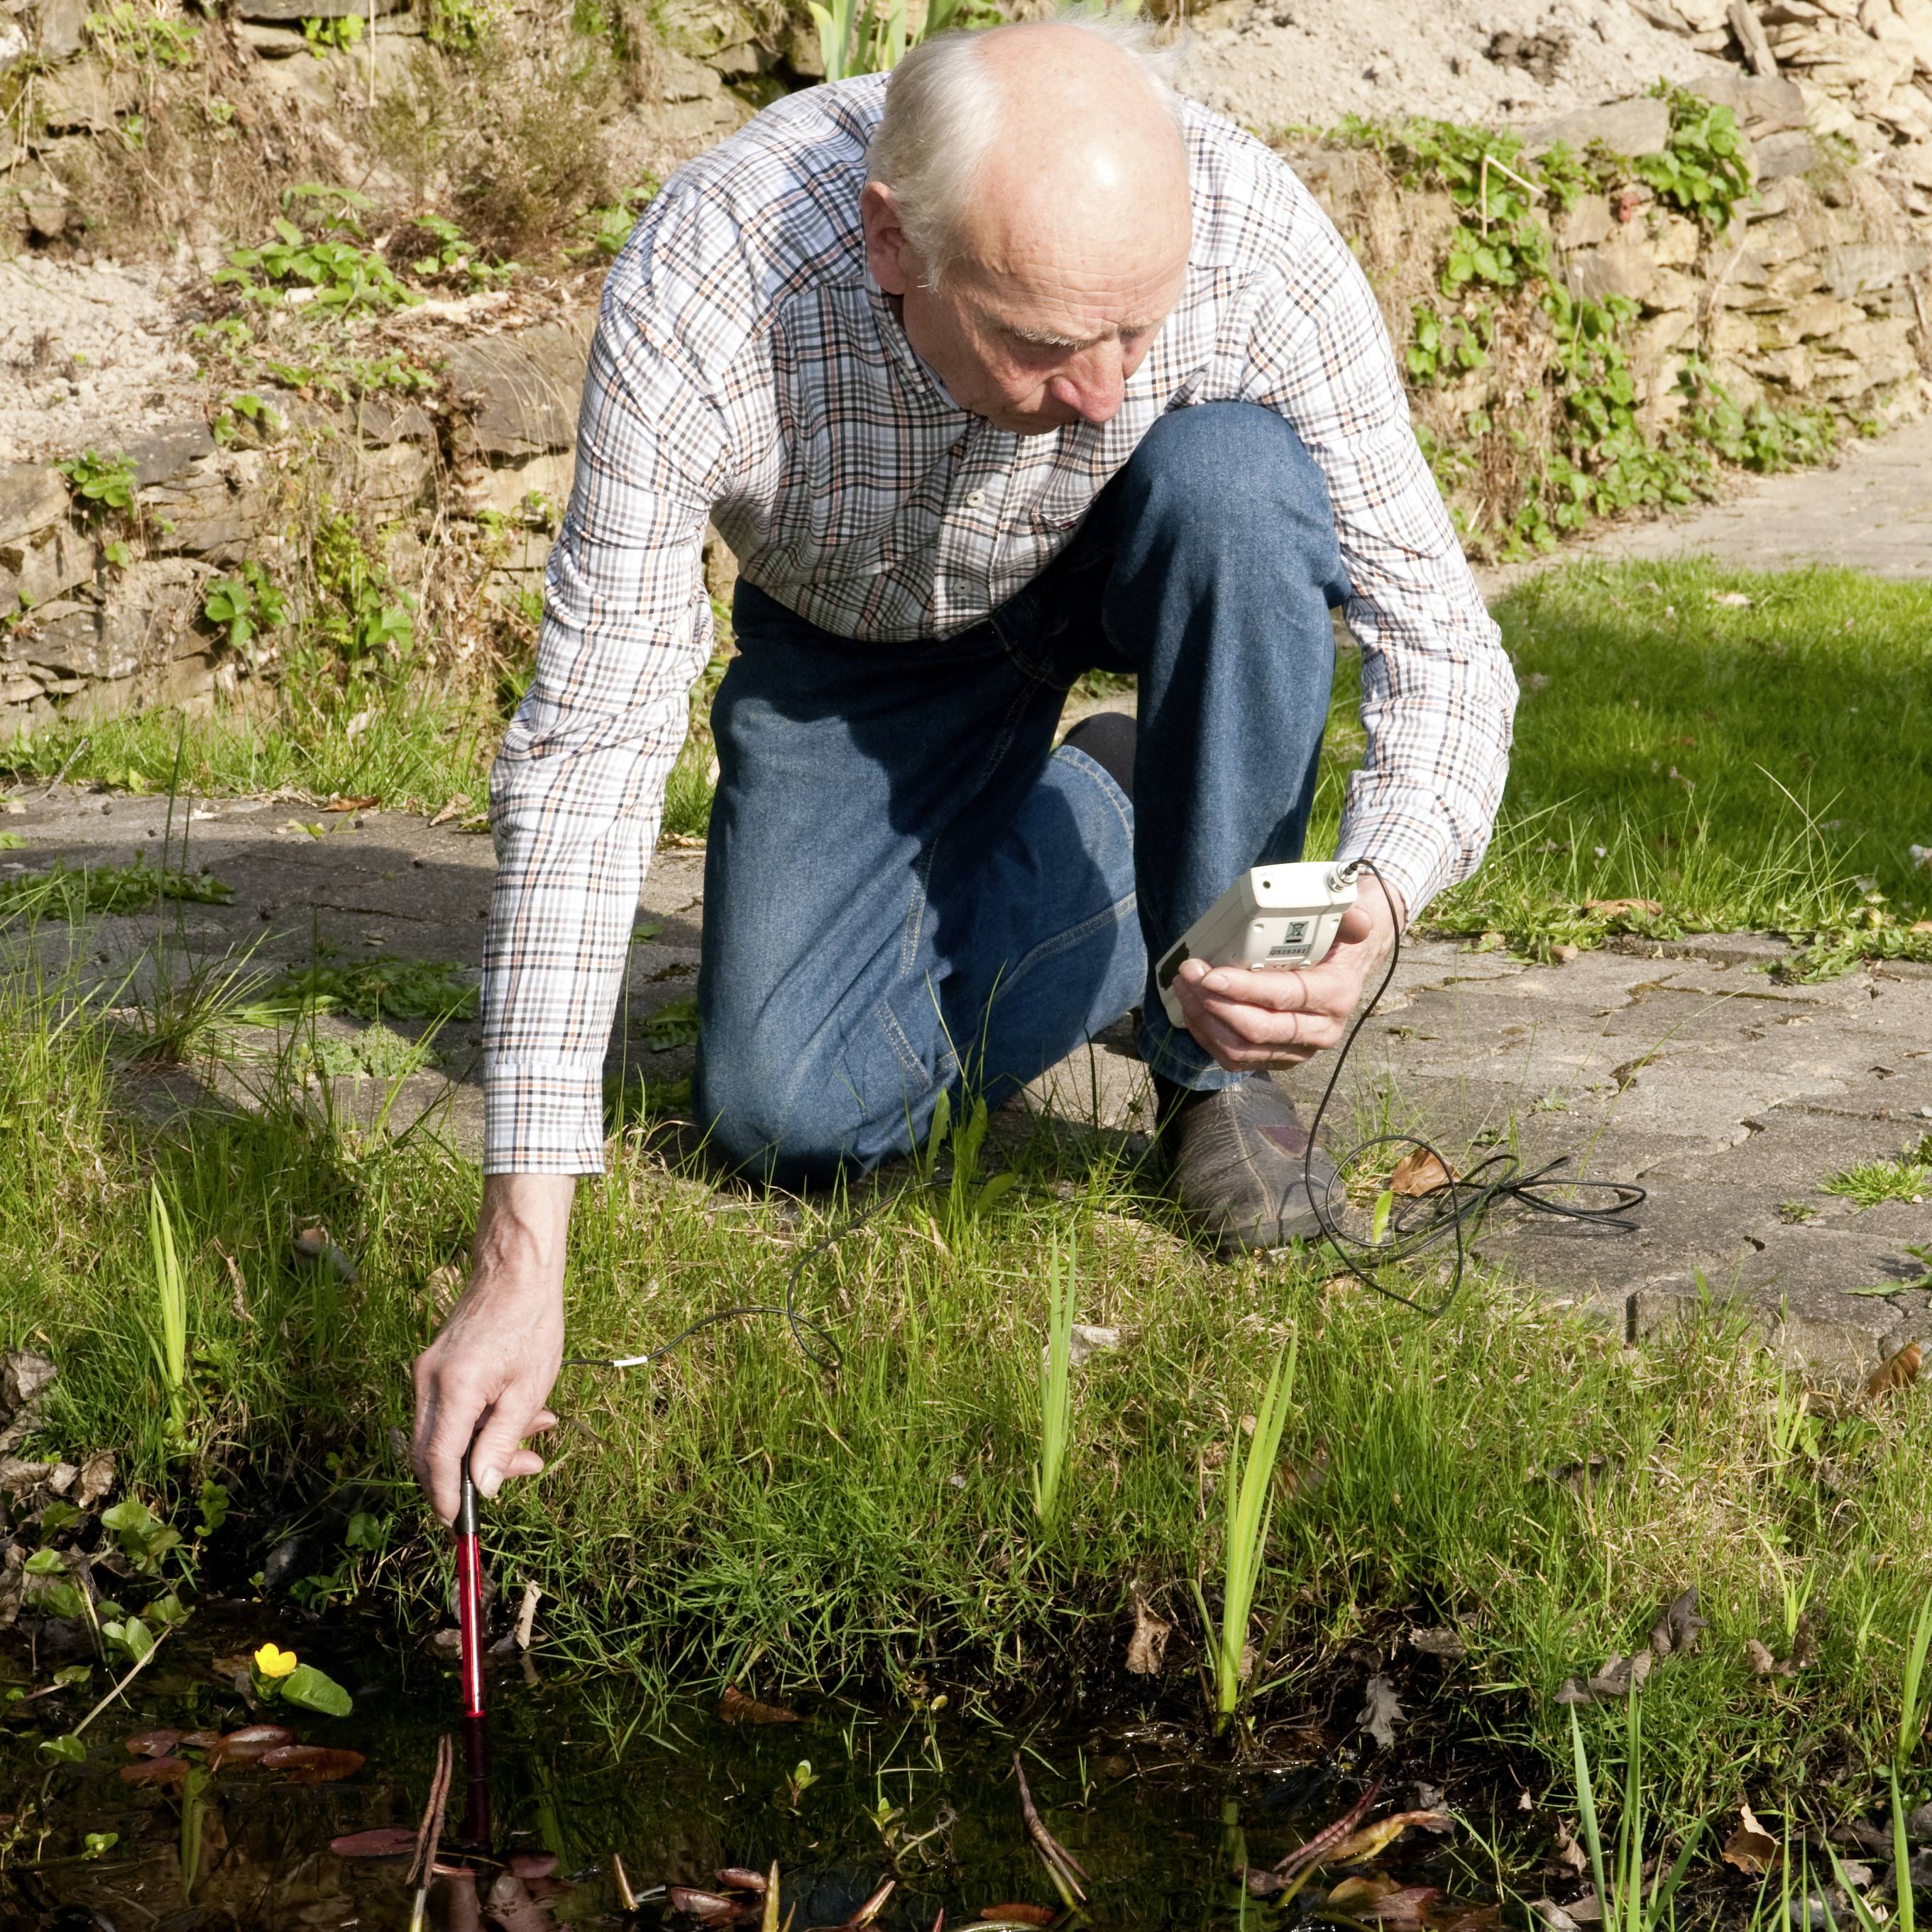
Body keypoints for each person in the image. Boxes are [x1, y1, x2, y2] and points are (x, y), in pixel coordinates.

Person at [411, 13, 1517, 1520]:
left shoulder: (1247, 226)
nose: (1104, 389)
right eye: (1045, 341)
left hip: (1141, 551)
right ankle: (1123, 812)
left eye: (1140, 329)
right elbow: (590, 747)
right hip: (862, 650)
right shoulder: (714, 287)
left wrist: (1372, 895)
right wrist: (518, 1257)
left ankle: (1217, 1071)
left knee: (1236, 487)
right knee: (785, 1114)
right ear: (891, 244)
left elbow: (1444, 648)